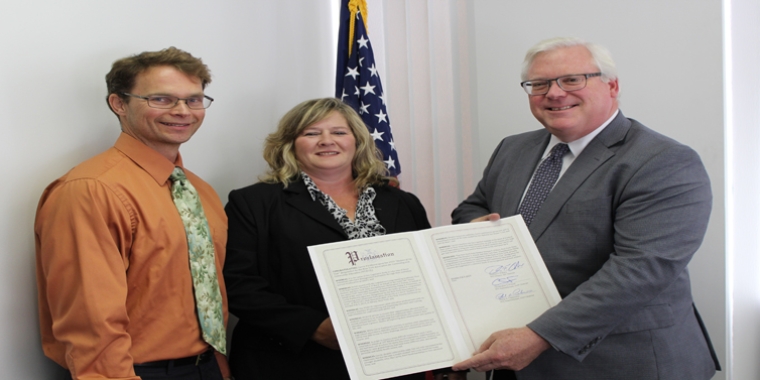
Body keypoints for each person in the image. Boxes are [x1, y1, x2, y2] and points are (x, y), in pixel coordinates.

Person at [450, 37, 720, 380]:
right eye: (539, 84)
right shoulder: (512, 149)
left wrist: (538, 336)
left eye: (572, 79)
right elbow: (473, 206)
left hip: (620, 363)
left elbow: (639, 271)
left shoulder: (662, 161)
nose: (555, 93)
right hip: (513, 357)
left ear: (612, 86)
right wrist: (478, 228)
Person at [223, 98, 465, 380]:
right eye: (312, 133)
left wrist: (449, 363)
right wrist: (312, 327)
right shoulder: (253, 203)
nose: (327, 141)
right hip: (293, 364)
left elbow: (431, 278)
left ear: (357, 141)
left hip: (395, 362)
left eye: (339, 132)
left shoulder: (403, 203)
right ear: (290, 144)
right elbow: (236, 283)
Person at [35, 47, 231, 380]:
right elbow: (91, 323)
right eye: (162, 99)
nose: (183, 111)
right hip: (135, 372)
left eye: (194, 100)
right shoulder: (91, 189)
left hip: (206, 367)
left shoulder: (200, 190)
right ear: (119, 104)